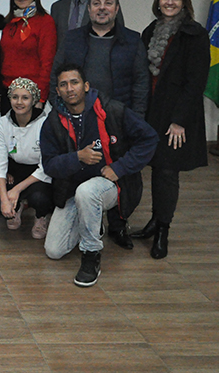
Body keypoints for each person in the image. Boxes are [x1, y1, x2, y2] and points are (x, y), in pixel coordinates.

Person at [41, 64, 157, 287]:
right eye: (63, 85)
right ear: (57, 91)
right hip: (72, 191)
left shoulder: (112, 110)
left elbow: (149, 139)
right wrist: (77, 158)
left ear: (85, 86)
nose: (69, 89)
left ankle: (91, 255)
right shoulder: (53, 122)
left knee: (88, 191)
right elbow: (49, 165)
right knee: (54, 250)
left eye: (74, 82)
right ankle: (92, 220)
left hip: (111, 186)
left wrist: (119, 168)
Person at [130, 0, 209, 259]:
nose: (169, 2)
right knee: (153, 166)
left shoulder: (194, 34)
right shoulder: (150, 30)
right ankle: (154, 220)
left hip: (176, 116)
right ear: (158, 1)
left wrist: (179, 120)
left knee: (166, 171)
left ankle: (163, 229)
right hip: (152, 112)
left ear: (184, 2)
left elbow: (196, 81)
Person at [50, 0, 149, 119]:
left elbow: (141, 83)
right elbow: (56, 74)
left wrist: (137, 118)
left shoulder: (133, 40)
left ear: (116, 9)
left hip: (119, 118)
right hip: (76, 117)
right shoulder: (71, 38)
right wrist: (61, 110)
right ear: (89, 9)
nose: (102, 7)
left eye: (108, 3)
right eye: (96, 3)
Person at [0, 77, 53, 239]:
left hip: (38, 175)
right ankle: (16, 207)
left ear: (34, 100)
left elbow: (47, 165)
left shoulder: (45, 123)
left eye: (25, 98)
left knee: (39, 198)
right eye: (15, 97)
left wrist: (17, 190)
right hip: (15, 170)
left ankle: (40, 216)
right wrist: (5, 199)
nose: (19, 102)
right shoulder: (2, 123)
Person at [1, 0, 57, 111]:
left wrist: (40, 97)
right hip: (8, 92)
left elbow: (47, 62)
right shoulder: (9, 23)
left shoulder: (45, 21)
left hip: (32, 95)